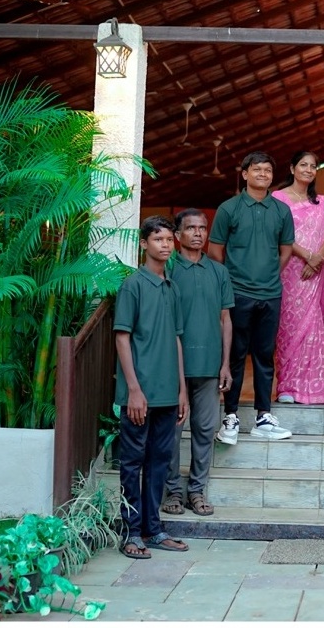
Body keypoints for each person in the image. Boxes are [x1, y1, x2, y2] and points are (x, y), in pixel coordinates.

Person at [113, 215, 190, 558]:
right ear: (144, 244)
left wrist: (182, 390)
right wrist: (133, 389)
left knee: (160, 461)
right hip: (139, 394)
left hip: (167, 393)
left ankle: (153, 529)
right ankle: (131, 533)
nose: (165, 245)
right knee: (132, 461)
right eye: (158, 239)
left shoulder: (172, 287)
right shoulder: (133, 285)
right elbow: (122, 337)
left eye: (169, 240)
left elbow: (176, 339)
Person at [208, 151, 296, 442]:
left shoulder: (281, 210)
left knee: (264, 355)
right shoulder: (229, 209)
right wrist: (228, 283)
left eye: (268, 170)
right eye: (256, 169)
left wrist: (271, 274)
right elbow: (215, 250)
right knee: (234, 355)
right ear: (244, 174)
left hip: (271, 294)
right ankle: (230, 417)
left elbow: (285, 250)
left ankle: (263, 417)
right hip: (236, 294)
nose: (262, 174)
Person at [161, 208, 235, 518]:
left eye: (203, 228)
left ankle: (196, 491)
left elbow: (225, 319)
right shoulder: (165, 270)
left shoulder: (219, 271)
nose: (198, 233)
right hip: (170, 367)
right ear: (177, 235)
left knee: (205, 429)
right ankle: (172, 492)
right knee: (172, 432)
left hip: (208, 366)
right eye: (190, 228)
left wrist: (225, 364)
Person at [271, 151, 324, 404]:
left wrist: (317, 258)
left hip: (314, 273)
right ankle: (287, 387)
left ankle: (314, 388)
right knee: (288, 327)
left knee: (312, 328)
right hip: (290, 270)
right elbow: (280, 234)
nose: (309, 170)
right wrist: (308, 256)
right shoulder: (278, 199)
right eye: (303, 165)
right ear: (292, 168)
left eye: (313, 166)